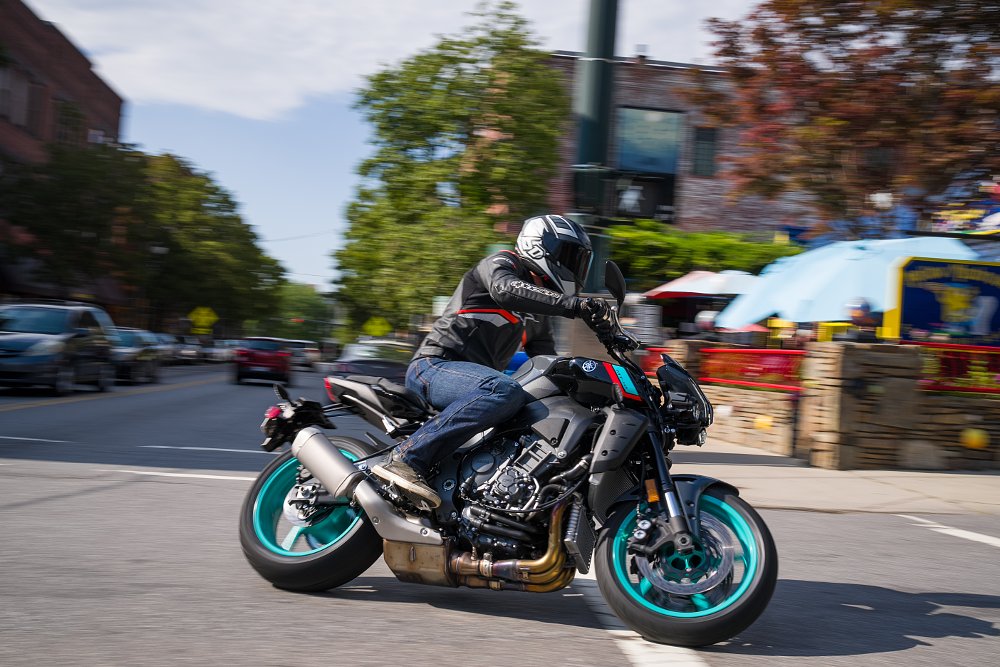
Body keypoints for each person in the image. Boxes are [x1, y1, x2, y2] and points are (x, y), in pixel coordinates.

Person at [372, 214, 613, 508]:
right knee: (503, 390)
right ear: (539, 246)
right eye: (568, 255)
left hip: (473, 385)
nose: (574, 266)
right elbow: (505, 289)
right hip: (433, 367)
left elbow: (548, 363)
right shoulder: (502, 263)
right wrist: (575, 306)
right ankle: (406, 458)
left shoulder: (537, 313)